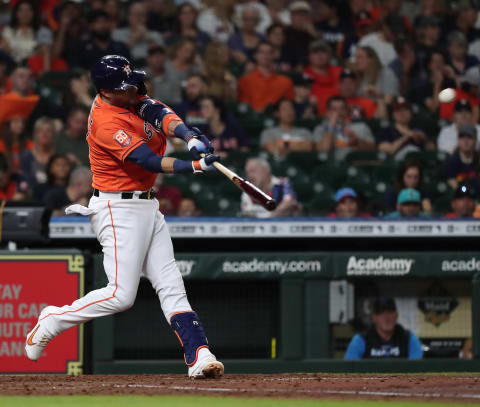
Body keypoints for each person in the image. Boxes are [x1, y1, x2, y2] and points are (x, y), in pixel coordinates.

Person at [24, 55, 224, 380]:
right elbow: (147, 159)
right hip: (118, 209)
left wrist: (189, 136)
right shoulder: (105, 120)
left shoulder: (131, 96)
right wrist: (194, 166)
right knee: (121, 295)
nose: (133, 90)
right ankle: (52, 320)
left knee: (171, 284)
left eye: (132, 83)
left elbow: (159, 112)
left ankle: (199, 355)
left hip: (147, 205)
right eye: (124, 87)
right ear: (106, 90)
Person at [344, 297, 423, 359]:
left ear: (396, 316)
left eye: (390, 312)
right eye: (381, 313)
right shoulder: (360, 340)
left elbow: (417, 371)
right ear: (374, 318)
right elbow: (349, 370)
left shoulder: (409, 338)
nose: (387, 318)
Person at [314, 95, 375, 161]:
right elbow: (323, 151)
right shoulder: (320, 129)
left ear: (346, 111)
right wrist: (331, 125)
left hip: (356, 164)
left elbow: (372, 150)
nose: (338, 112)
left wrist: (357, 141)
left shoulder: (361, 127)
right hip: (330, 167)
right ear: (327, 112)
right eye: (334, 109)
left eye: (342, 108)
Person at [238, 41, 294, 112]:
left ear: (274, 55)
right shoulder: (246, 80)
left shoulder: (286, 81)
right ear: (255, 55)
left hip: (278, 119)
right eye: (262, 52)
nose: (265, 55)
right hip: (255, 119)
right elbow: (244, 106)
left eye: (269, 52)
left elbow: (289, 107)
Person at [378, 97, 434, 161]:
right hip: (397, 164)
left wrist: (425, 140)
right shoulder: (387, 130)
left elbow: (432, 150)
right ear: (393, 114)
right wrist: (406, 136)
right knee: (410, 150)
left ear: (411, 112)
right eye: (398, 110)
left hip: (419, 163)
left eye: (405, 109)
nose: (402, 113)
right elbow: (388, 150)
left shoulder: (418, 128)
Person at [445, 123, 480, 191]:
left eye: (469, 137)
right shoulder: (451, 162)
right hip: (461, 198)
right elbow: (454, 186)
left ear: (475, 141)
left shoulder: (478, 160)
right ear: (458, 140)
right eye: (462, 137)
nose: (465, 141)